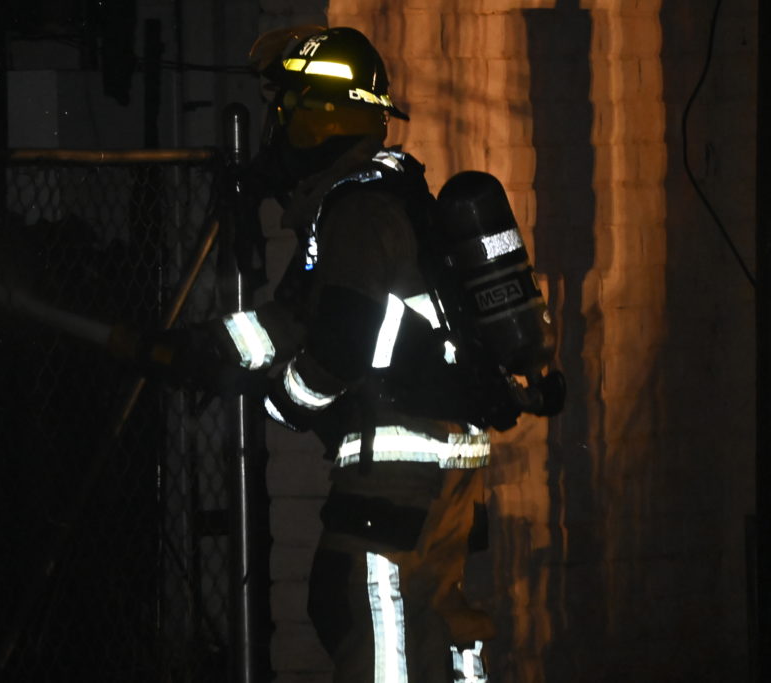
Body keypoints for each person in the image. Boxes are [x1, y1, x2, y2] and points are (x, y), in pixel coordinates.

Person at [112, 25, 560, 682]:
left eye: (285, 110)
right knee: (429, 619)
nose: (276, 128)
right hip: (438, 458)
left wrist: (285, 398)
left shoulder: (357, 210)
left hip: (397, 466)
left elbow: (342, 343)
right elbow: (295, 317)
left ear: (317, 117)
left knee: (368, 618)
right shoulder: (370, 199)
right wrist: (198, 348)